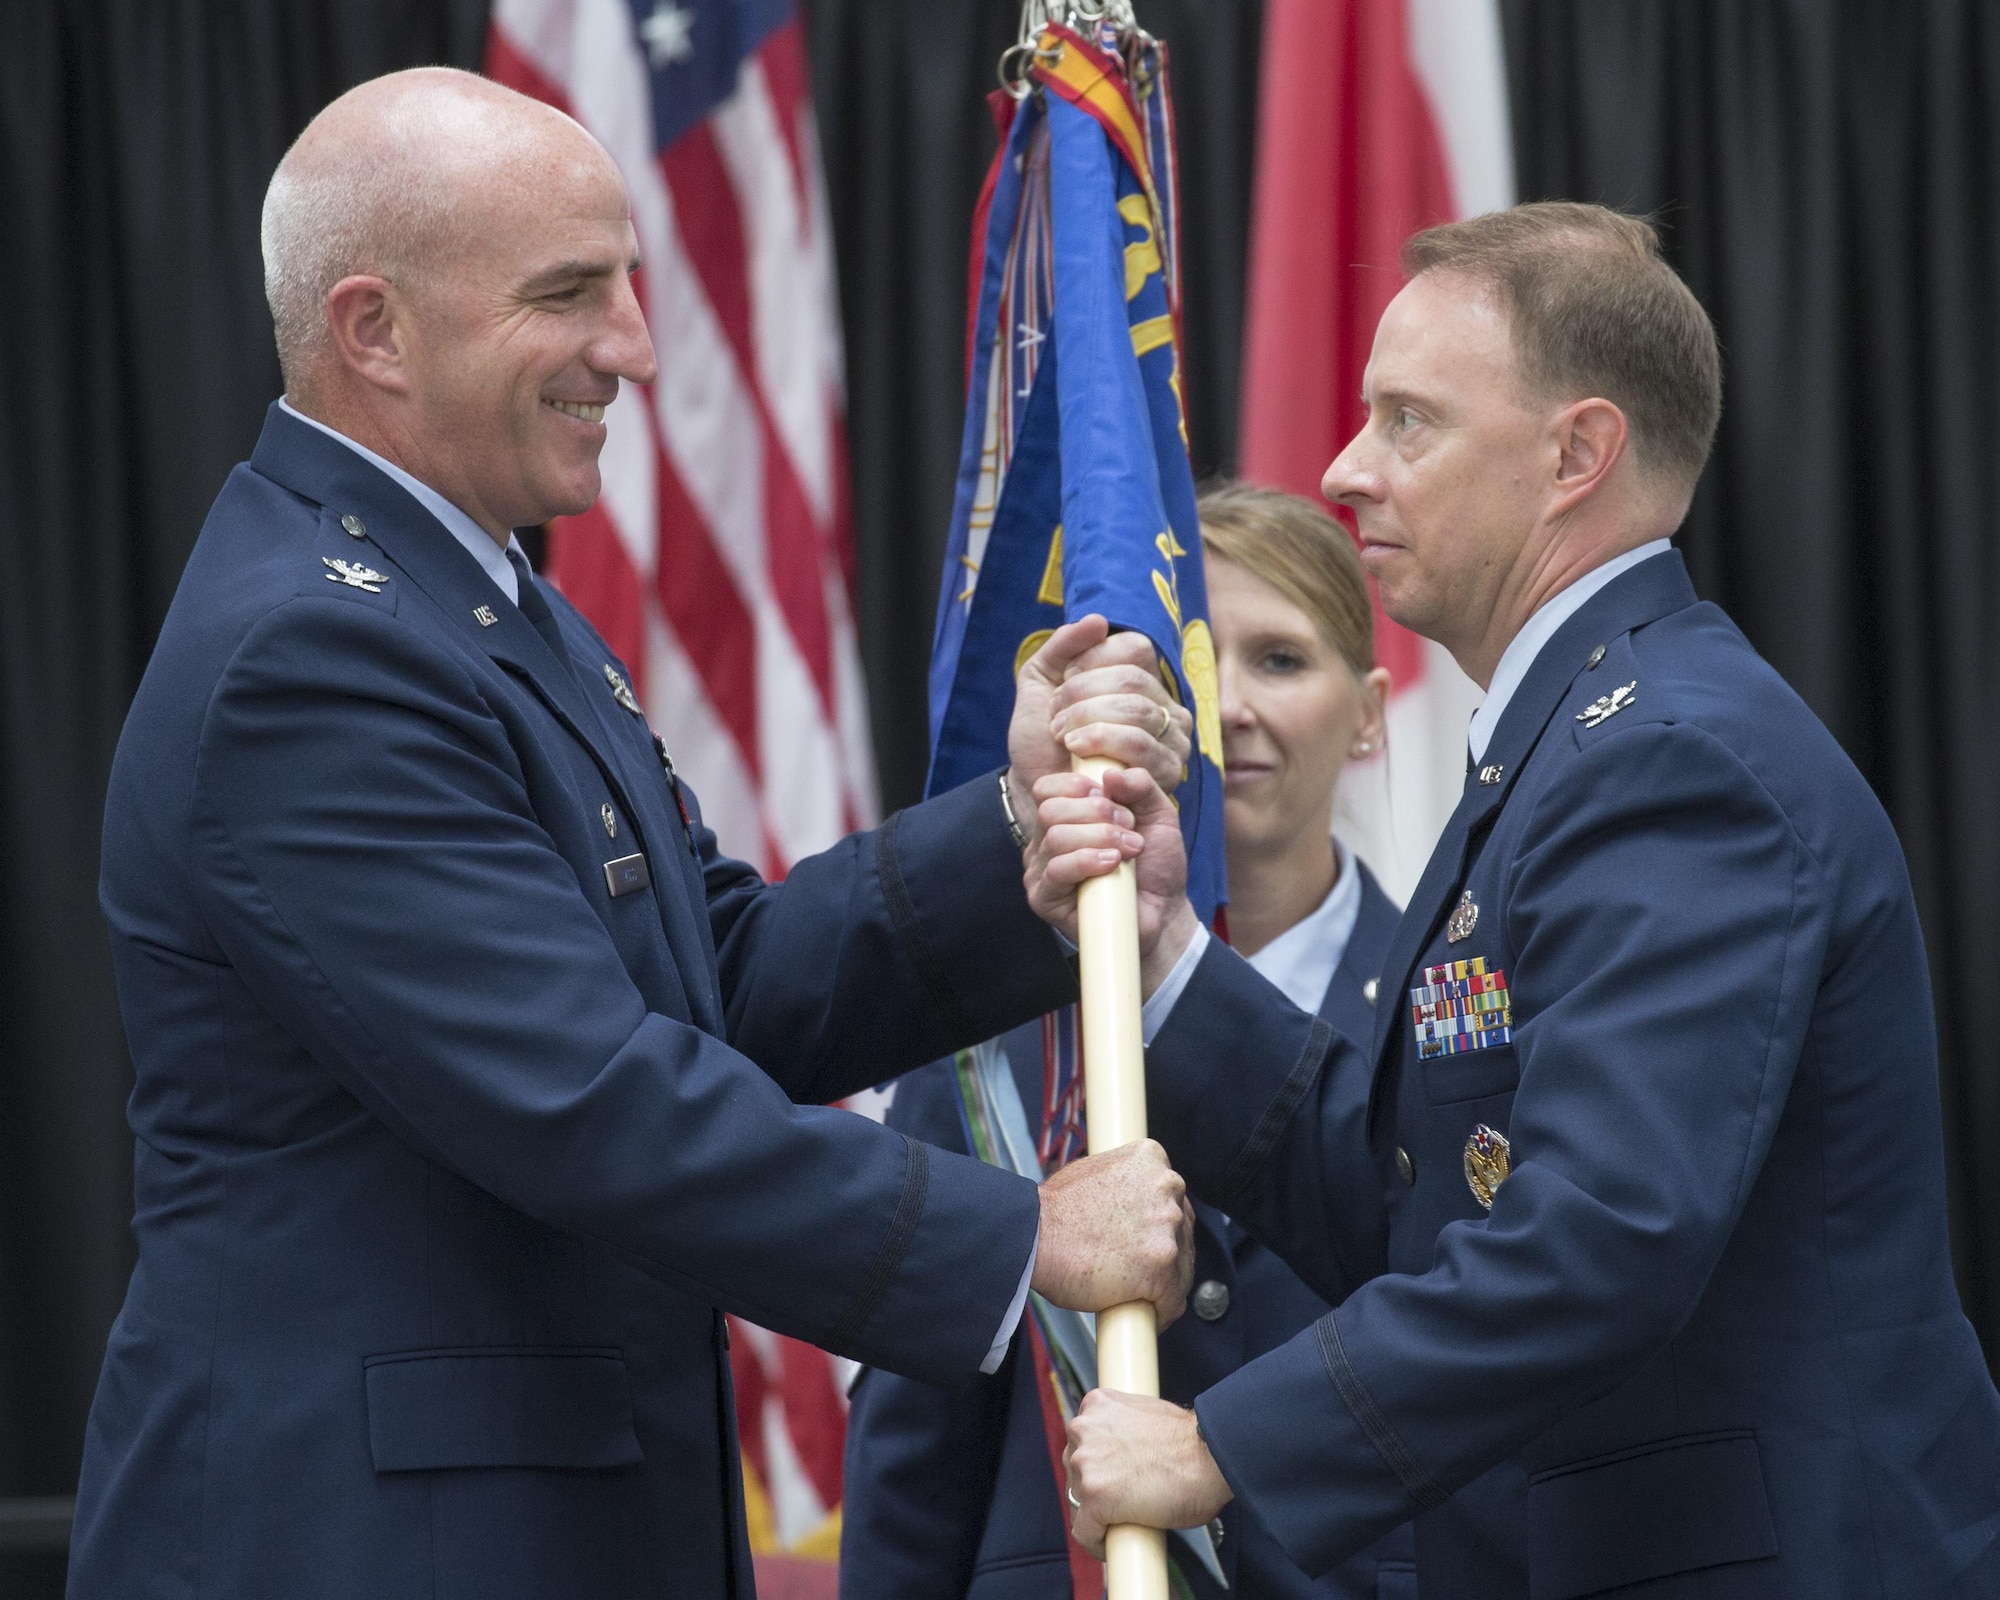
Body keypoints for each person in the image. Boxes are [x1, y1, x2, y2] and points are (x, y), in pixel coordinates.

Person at [74, 69, 1199, 1600]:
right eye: (570, 294)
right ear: (373, 332)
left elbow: (711, 984)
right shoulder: (311, 656)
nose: (639, 346)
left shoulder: (471, 604)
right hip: (373, 1543)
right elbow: (588, 1094)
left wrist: (1016, 842)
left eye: (631, 282)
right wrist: (1020, 1238)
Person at [1032, 203, 2000, 1598]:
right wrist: (1169, 951)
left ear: (1575, 456)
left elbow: (1602, 1235)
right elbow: (1425, 1199)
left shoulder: (1667, 757)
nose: (1346, 468)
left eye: (1410, 422)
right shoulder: (1581, 738)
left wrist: (1222, 1446)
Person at [841, 482, 1419, 1600]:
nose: (1229, 707)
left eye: (1282, 661)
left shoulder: (1443, 1006)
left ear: (1369, 710)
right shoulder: (996, 1035)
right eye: (1190, 668)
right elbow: (915, 1445)